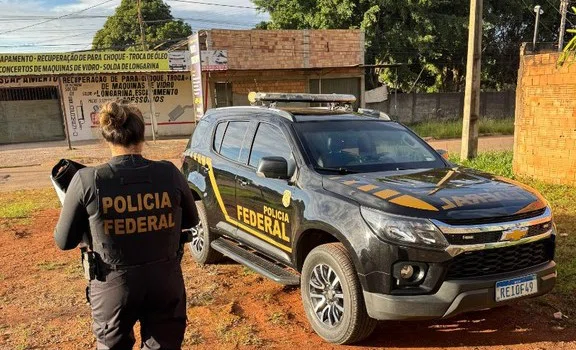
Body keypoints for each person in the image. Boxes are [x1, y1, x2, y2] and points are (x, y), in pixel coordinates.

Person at [54, 101, 197, 350]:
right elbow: (191, 220)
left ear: (107, 137)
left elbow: (64, 241)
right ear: (142, 135)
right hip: (165, 281)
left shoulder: (87, 180)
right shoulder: (169, 173)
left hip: (112, 285)